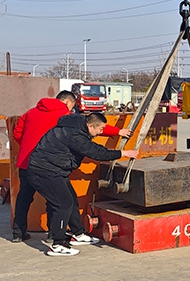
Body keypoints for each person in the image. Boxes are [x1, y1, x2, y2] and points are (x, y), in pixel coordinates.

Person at [11, 91, 132, 242]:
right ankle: (53, 234)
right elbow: (91, 126)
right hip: (50, 163)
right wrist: (118, 131)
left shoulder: (30, 112)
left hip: (26, 162)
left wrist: (28, 147)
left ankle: (18, 232)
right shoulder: (65, 116)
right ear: (68, 103)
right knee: (58, 200)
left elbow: (17, 133)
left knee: (24, 197)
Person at [26, 113, 139, 257]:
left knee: (71, 199)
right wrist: (123, 153)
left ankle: (78, 234)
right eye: (100, 129)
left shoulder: (78, 125)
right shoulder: (74, 135)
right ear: (90, 126)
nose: (101, 132)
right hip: (43, 171)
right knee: (63, 203)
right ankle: (58, 244)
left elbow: (93, 142)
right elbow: (95, 152)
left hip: (55, 170)